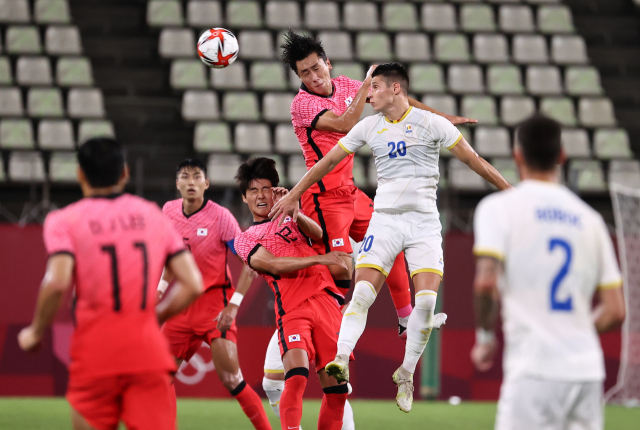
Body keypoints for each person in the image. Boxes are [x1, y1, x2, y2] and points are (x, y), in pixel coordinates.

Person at [271, 63, 512, 412]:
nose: (368, 95)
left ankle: (406, 373)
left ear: (395, 88)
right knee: (361, 295)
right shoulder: (369, 126)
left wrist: (512, 192)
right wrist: (295, 193)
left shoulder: (432, 124)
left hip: (424, 224)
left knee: (426, 304)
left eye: (375, 87)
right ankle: (340, 358)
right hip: (384, 221)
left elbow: (476, 162)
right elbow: (325, 163)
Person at [17, 137, 204, 430]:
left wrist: (36, 331)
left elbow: (57, 282)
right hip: (147, 351)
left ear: (80, 173)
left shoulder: (63, 220)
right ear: (124, 173)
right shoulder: (151, 215)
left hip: (96, 352)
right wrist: (154, 316)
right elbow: (193, 283)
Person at [471, 115, 626, 430]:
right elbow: (615, 310)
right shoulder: (591, 219)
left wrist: (485, 337)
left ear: (517, 156)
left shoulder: (498, 208)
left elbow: (486, 283)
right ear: (562, 156)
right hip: (586, 370)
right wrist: (571, 335)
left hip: (534, 369)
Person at [234, 157, 351, 430]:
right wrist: (319, 260)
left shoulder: (290, 218)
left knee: (338, 390)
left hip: (326, 302)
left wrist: (295, 211)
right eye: (253, 190)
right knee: (296, 377)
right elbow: (273, 265)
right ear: (244, 197)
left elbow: (319, 235)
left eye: (266, 188)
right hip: (293, 307)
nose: (261, 195)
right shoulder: (245, 238)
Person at [157, 158, 271, 430]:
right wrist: (160, 290)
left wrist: (233, 306)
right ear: (177, 183)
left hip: (214, 306)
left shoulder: (221, 217)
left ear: (206, 183)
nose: (191, 182)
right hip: (181, 304)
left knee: (232, 380)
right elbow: (173, 259)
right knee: (158, 378)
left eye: (197, 176)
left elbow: (249, 263)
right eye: (185, 177)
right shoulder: (168, 212)